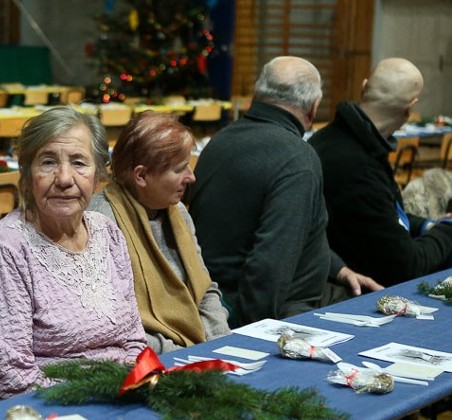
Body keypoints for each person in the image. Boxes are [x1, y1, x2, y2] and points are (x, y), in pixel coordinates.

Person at [0, 106, 147, 404]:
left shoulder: (107, 232)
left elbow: (134, 340)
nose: (64, 178)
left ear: (98, 174)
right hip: (37, 410)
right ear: (27, 174)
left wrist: (129, 388)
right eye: (48, 162)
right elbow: (7, 377)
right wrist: (98, 400)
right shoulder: (7, 246)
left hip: (117, 397)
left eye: (79, 163)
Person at [186, 56, 381, 328]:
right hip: (267, 312)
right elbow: (269, 266)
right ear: (312, 111)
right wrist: (251, 335)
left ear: (258, 94)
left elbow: (268, 231)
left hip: (213, 297)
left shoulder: (220, 141)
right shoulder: (297, 159)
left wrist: (338, 268)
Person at [89, 112, 231, 353]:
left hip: (196, 347)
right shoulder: (102, 222)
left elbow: (205, 289)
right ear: (141, 176)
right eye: (180, 169)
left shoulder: (178, 212)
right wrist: (179, 352)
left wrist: (220, 342)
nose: (191, 177)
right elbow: (111, 325)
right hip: (151, 356)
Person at [309, 58, 452, 286]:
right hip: (358, 289)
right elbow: (407, 266)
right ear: (410, 108)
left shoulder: (332, 138)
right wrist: (448, 231)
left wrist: (428, 226)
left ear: (364, 86)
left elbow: (382, 217)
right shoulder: (358, 166)